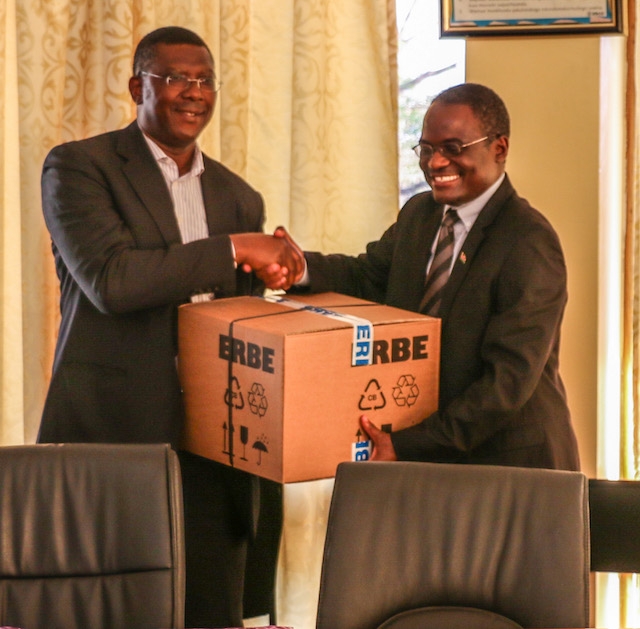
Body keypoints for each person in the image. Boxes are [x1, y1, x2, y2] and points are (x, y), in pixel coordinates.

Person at [38, 26, 301, 628]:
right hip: (114, 437)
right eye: (177, 77)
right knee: (110, 611)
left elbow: (236, 329)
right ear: (138, 86)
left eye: (206, 80)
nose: (194, 92)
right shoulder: (80, 168)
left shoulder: (239, 196)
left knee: (212, 610)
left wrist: (284, 274)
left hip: (214, 448)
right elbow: (113, 281)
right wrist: (235, 248)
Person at [278, 82, 580, 471]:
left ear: (499, 149)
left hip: (507, 468)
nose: (435, 163)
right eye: (427, 148)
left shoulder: (529, 242)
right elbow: (367, 278)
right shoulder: (420, 214)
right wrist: (297, 266)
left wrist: (406, 444)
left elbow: (505, 386)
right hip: (430, 457)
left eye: (453, 149)